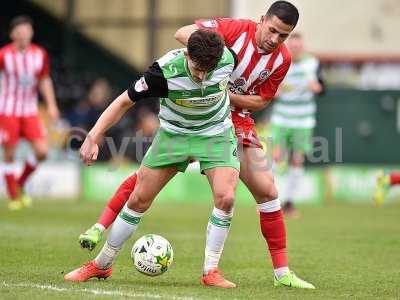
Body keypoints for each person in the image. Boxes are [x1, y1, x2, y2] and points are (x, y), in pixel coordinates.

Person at [78, 0, 315, 289]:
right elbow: (182, 33)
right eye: (273, 31)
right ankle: (101, 255)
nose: (275, 40)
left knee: (260, 191)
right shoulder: (204, 49)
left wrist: (220, 94)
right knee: (141, 191)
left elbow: (262, 100)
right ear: (261, 19)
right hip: (177, 129)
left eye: (284, 36)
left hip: (224, 124)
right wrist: (94, 135)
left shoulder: (275, 60)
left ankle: (276, 273)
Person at [65, 30, 241, 288]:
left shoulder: (227, 58)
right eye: (197, 68)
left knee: (226, 197)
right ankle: (101, 265)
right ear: (187, 54)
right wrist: (94, 135)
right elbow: (123, 102)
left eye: (208, 70)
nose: (202, 75)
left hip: (216, 133)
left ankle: (211, 271)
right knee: (138, 199)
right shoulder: (162, 72)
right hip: (174, 135)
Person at [0, 15, 59, 210]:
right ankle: (14, 196)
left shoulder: (39, 54)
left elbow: (44, 80)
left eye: (27, 30)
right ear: (12, 34)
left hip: (30, 111)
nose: (23, 33)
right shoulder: (4, 55)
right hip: (8, 110)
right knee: (10, 154)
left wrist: (51, 105)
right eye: (19, 31)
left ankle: (20, 182)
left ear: (31, 32)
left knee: (42, 151)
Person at [270, 32, 323, 217]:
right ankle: (270, 201)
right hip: (282, 117)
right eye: (291, 47)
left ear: (302, 47)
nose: (295, 49)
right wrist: (274, 92)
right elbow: (270, 87)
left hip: (303, 119)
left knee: (297, 160)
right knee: (276, 157)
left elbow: (321, 88)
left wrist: (316, 86)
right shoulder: (279, 62)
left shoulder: (313, 63)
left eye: (297, 47)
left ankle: (290, 203)